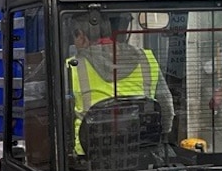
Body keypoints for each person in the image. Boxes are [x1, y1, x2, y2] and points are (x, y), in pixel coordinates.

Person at [67, 13, 175, 151]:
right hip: (142, 154)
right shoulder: (147, 59)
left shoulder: (72, 66)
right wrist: (157, 141)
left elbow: (62, 117)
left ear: (81, 37)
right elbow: (166, 109)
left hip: (88, 159)